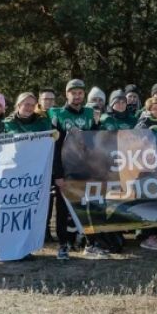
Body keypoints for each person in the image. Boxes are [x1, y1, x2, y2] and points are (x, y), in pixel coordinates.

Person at [49, 79, 101, 260]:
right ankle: (63, 246)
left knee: (88, 206)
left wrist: (96, 124)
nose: (77, 96)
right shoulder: (59, 115)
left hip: (85, 169)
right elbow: (54, 148)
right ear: (67, 94)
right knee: (63, 209)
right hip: (66, 170)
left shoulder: (89, 113)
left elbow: (95, 141)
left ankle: (91, 244)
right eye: (73, 93)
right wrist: (58, 174)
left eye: (80, 93)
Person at [133, 95, 157, 251]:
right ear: (148, 111)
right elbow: (135, 138)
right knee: (146, 202)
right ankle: (145, 236)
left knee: (156, 203)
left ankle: (153, 235)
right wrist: (147, 130)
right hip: (145, 171)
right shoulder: (143, 123)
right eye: (154, 109)